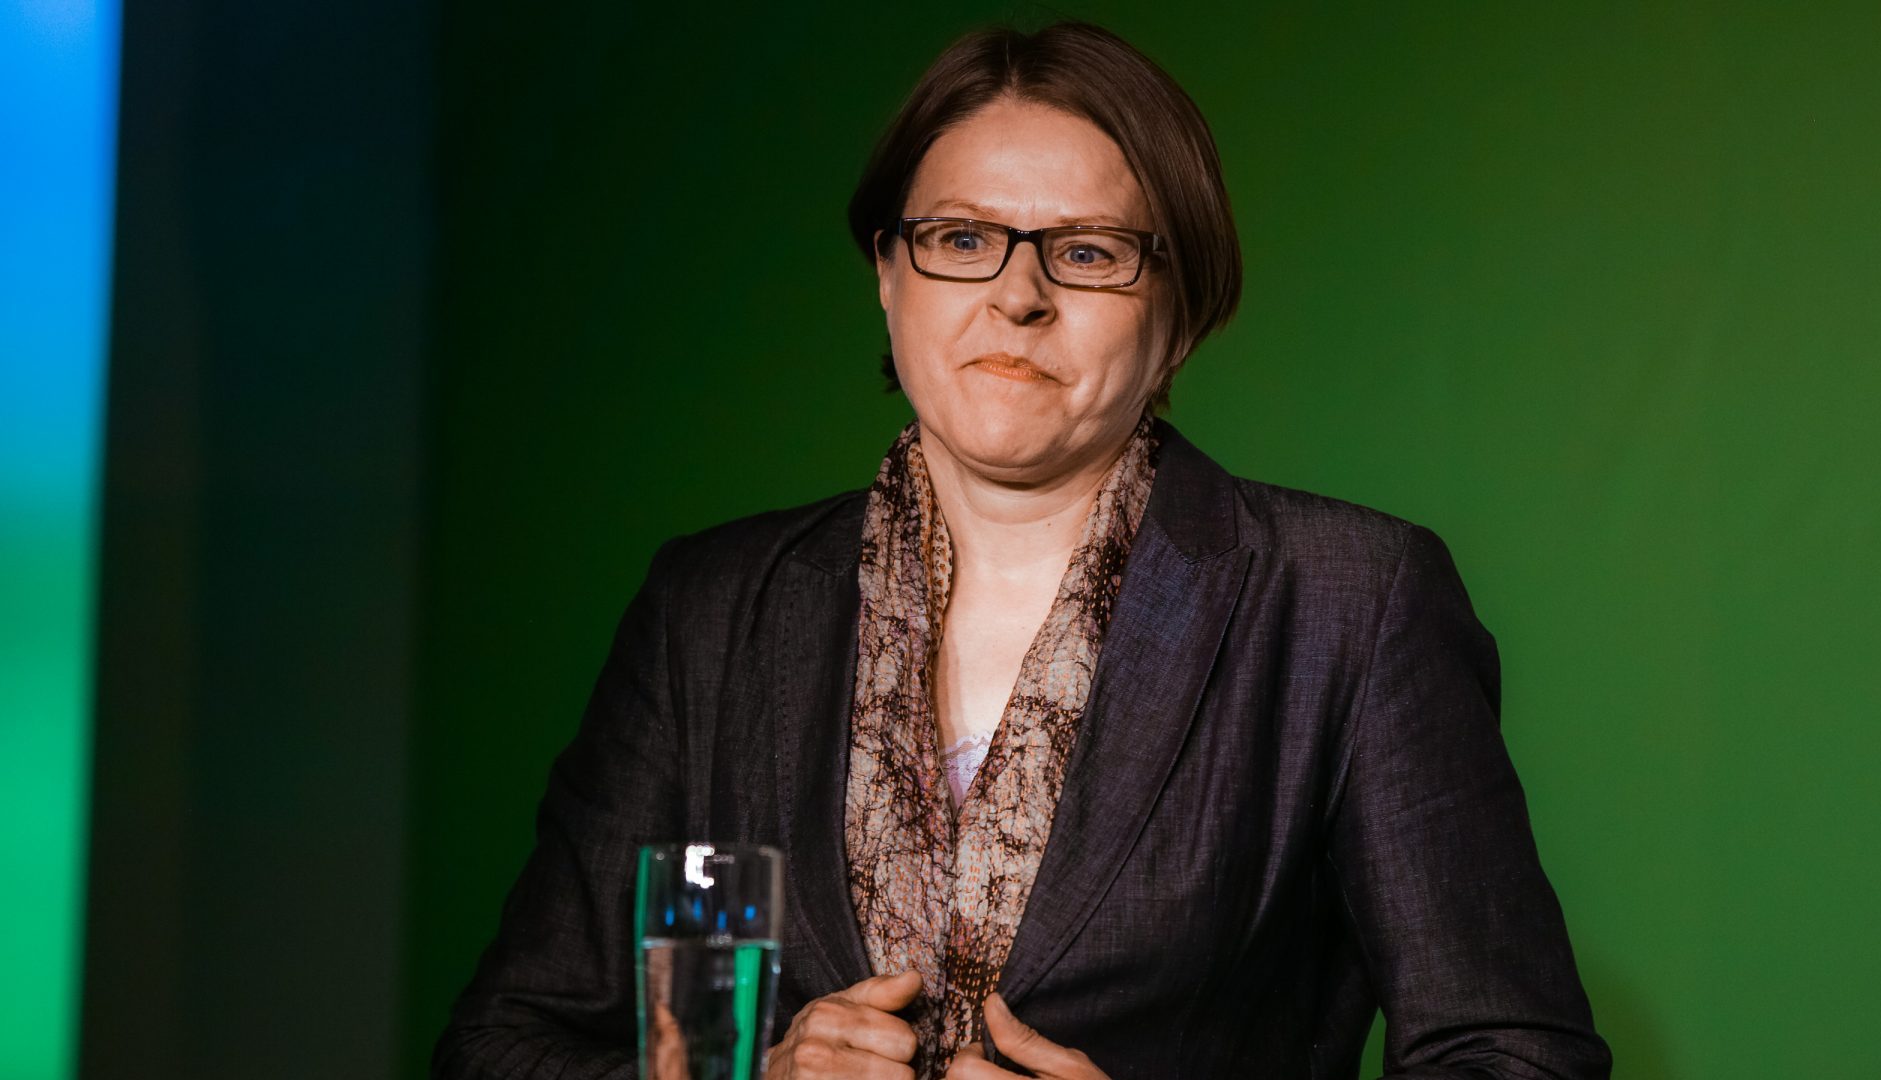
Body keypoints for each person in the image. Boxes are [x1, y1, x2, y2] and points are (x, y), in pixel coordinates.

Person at [433, 21, 1611, 1080]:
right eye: (961, 238)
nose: (1017, 296)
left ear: (1181, 317)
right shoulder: (713, 607)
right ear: (888, 276)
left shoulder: (1350, 603)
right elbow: (501, 1047)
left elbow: (1518, 1059)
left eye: (1089, 252)